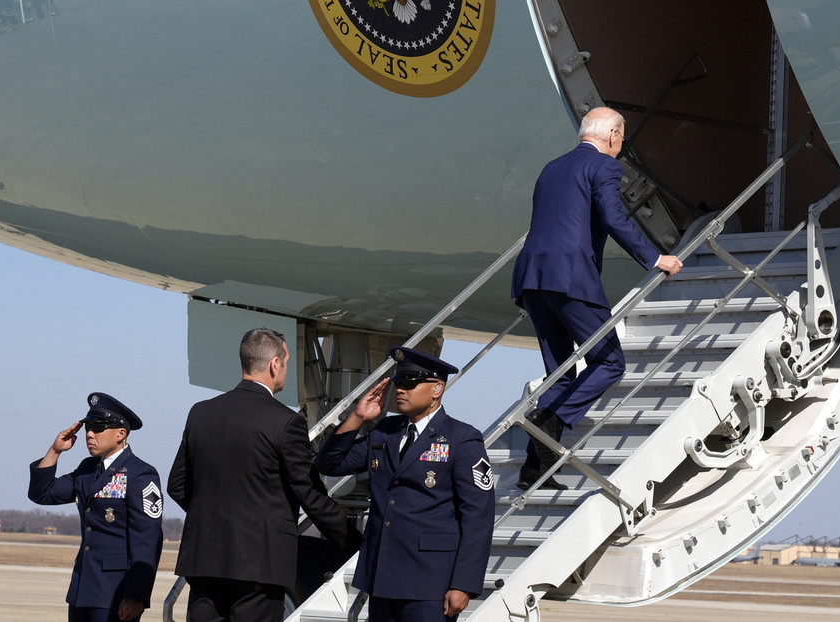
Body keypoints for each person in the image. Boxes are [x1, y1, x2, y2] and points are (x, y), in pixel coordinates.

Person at [510, 106, 683, 490]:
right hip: (571, 279)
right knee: (609, 361)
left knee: (559, 372)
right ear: (612, 135)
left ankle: (532, 471)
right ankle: (551, 421)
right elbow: (613, 217)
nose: (621, 146)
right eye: (622, 137)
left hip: (532, 278)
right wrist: (655, 258)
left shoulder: (552, 168)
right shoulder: (604, 167)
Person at [168, 327, 353, 622]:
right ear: (274, 364)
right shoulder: (285, 422)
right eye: (287, 364)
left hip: (204, 558)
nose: (286, 371)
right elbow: (309, 493)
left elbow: (177, 485)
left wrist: (215, 519)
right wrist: (354, 542)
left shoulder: (200, 413)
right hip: (259, 565)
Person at [314, 347, 495, 622]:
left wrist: (464, 584)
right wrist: (358, 418)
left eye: (410, 383)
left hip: (429, 583)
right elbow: (329, 464)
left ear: (437, 389)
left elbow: (477, 517)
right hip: (382, 578)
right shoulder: (385, 431)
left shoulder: (461, 439)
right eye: (399, 382)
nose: (400, 389)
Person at [28, 393, 164, 622]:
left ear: (121, 434)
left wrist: (136, 596)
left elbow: (147, 540)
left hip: (116, 593)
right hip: (83, 589)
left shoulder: (140, 474)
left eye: (98, 428)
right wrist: (55, 451)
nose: (90, 434)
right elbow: (42, 493)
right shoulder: (87, 469)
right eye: (88, 427)